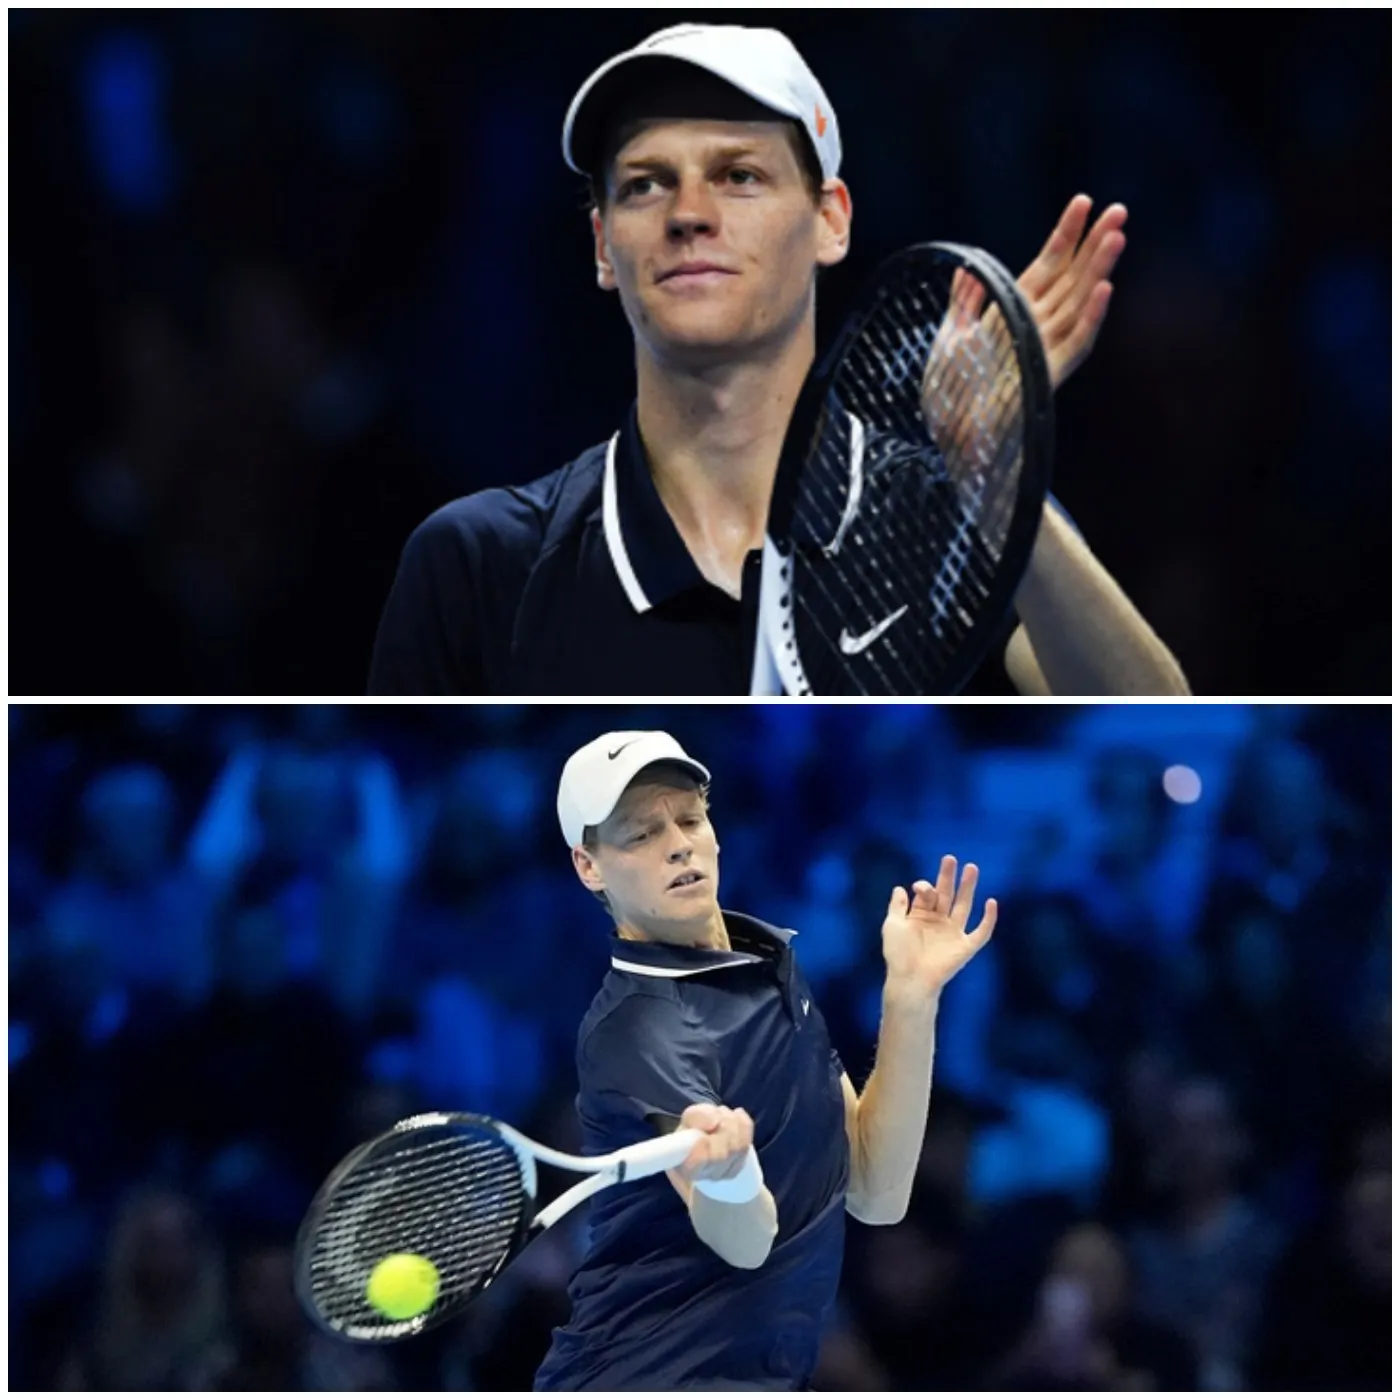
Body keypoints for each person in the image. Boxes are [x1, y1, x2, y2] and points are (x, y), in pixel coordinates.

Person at [369, 22, 1188, 696]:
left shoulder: (956, 517)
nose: (688, 214)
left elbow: (1154, 725)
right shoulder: (476, 563)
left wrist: (999, 487)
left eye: (738, 175)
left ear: (831, 220)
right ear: (602, 246)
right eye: (645, 185)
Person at [533, 729, 997, 1390]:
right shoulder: (639, 1028)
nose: (678, 844)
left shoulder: (764, 960)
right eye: (640, 835)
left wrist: (911, 998)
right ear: (589, 866)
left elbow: (874, 1188)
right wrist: (727, 1177)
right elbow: (746, 1243)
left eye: (690, 818)